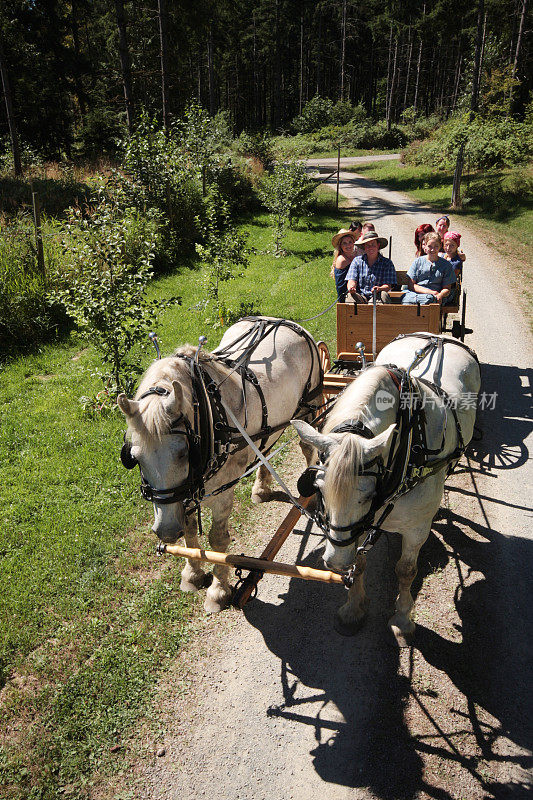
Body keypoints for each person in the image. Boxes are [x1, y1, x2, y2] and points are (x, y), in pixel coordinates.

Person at [402, 231, 456, 305]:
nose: (433, 250)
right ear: (425, 246)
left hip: (435, 297)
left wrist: (440, 295)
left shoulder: (446, 265)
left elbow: (447, 288)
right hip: (416, 294)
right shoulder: (418, 262)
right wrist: (430, 292)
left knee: (431, 301)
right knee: (406, 299)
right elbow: (411, 285)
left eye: (436, 246)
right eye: (430, 246)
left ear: (440, 246)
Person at [346, 230, 397, 304]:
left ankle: (378, 315)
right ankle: (353, 315)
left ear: (378, 246)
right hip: (361, 297)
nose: (370, 248)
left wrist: (379, 288)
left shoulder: (387, 263)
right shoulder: (357, 261)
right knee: (349, 297)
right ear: (364, 247)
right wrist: (351, 287)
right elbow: (351, 280)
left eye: (373, 244)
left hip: (377, 296)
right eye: (368, 245)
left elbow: (388, 286)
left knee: (383, 295)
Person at [331, 228, 357, 302]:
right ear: (340, 246)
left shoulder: (353, 256)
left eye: (350, 242)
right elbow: (340, 286)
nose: (348, 245)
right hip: (347, 296)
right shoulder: (342, 260)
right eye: (344, 243)